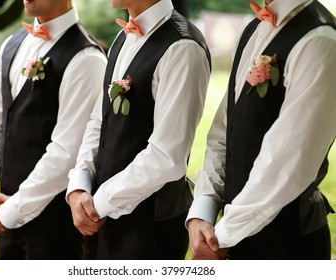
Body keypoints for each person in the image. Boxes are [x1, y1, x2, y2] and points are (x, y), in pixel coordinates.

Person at [187, 0, 336, 260]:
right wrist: (203, 210)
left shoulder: (321, 41)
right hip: (231, 238)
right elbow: (224, 132)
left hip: (288, 247)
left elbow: (289, 166)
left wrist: (223, 236)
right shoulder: (253, 29)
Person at [66, 0, 211, 259]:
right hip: (101, 219)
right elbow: (99, 121)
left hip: (149, 228)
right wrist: (78, 185)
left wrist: (97, 205)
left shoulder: (183, 47)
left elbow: (166, 157)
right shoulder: (123, 37)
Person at [0, 0, 107, 259]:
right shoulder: (10, 46)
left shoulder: (87, 59)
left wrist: (11, 212)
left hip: (55, 227)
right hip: (5, 215)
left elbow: (66, 153)